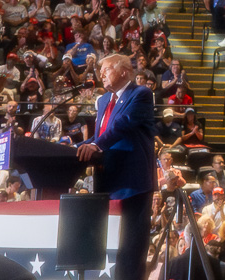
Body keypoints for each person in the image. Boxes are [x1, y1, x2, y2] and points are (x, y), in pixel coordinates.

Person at [76, 53, 155, 280]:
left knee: (130, 249)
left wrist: (95, 145)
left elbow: (123, 124)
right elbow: (98, 135)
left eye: (106, 69)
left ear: (123, 71)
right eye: (100, 71)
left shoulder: (140, 93)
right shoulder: (102, 101)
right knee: (107, 244)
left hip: (133, 183)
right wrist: (71, 149)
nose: (101, 74)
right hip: (106, 180)